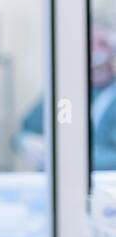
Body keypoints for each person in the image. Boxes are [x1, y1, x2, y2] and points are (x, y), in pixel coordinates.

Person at [17, 30, 116, 171]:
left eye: (102, 43)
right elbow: (24, 132)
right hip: (58, 186)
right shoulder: (62, 92)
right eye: (88, 43)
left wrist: (70, 160)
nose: (94, 49)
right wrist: (25, 142)